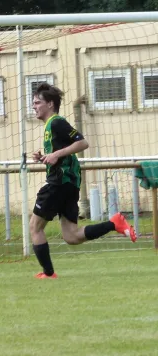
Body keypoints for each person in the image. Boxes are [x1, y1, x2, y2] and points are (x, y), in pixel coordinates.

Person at [29, 83, 137, 279]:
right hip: (68, 185)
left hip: (58, 184)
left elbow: (82, 142)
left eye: (37, 102)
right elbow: (61, 154)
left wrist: (56, 155)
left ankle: (49, 274)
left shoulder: (56, 122)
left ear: (50, 104)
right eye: (33, 103)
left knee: (34, 227)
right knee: (71, 236)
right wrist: (46, 156)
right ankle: (115, 223)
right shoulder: (50, 126)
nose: (34, 106)